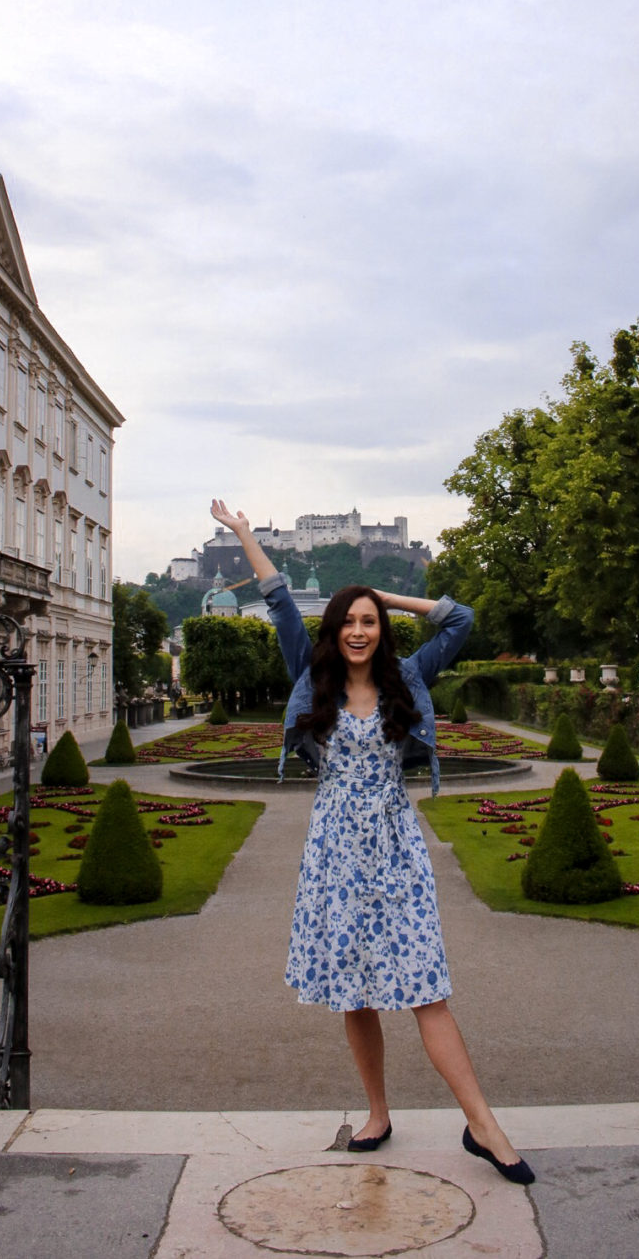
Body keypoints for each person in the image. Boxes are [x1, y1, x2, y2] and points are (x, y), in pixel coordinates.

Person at [210, 499, 534, 1185]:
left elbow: (461, 619)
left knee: (426, 991)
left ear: (380, 628)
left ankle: (485, 1125)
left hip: (395, 850)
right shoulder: (311, 674)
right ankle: (378, 1113)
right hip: (333, 857)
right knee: (355, 994)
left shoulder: (408, 675)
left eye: (368, 622)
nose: (358, 631)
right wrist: (243, 534)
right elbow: (276, 600)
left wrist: (381, 592)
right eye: (349, 621)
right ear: (334, 631)